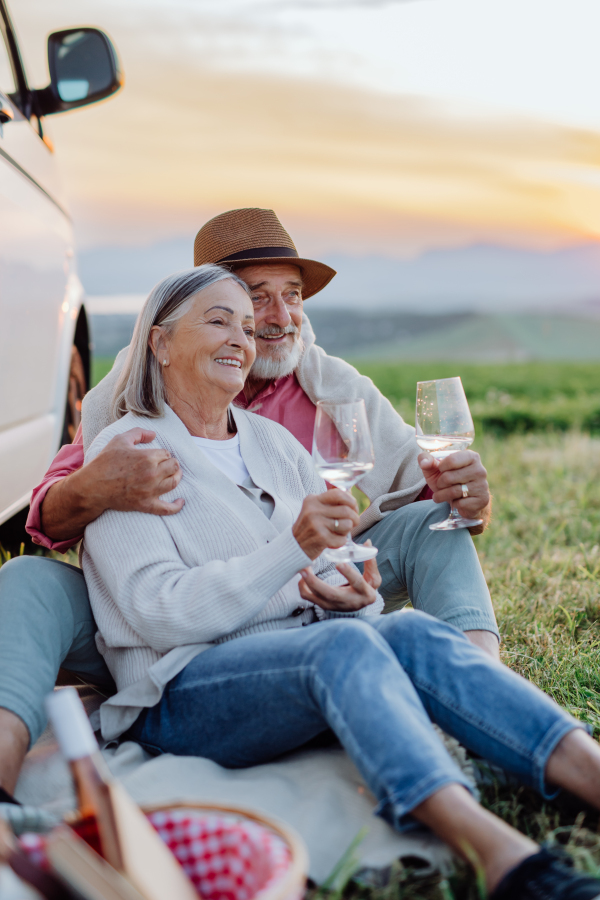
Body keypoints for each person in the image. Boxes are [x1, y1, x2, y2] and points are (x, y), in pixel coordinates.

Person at [82, 264, 600, 900]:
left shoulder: (272, 442)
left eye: (247, 327)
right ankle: (502, 857)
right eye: (219, 321)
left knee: (404, 628)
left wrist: (357, 596)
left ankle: (590, 774)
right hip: (179, 686)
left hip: (297, 667)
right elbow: (155, 609)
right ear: (159, 343)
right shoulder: (126, 451)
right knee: (346, 647)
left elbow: (328, 571)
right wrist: (292, 553)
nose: (242, 338)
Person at [0, 207, 496, 803]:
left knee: (431, 528)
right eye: (256, 298)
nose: (278, 318)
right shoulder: (130, 390)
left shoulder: (334, 390)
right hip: (162, 620)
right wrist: (98, 485)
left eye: (292, 296)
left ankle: (484, 700)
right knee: (26, 579)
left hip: (305, 597)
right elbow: (45, 520)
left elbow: (431, 502)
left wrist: (468, 503)